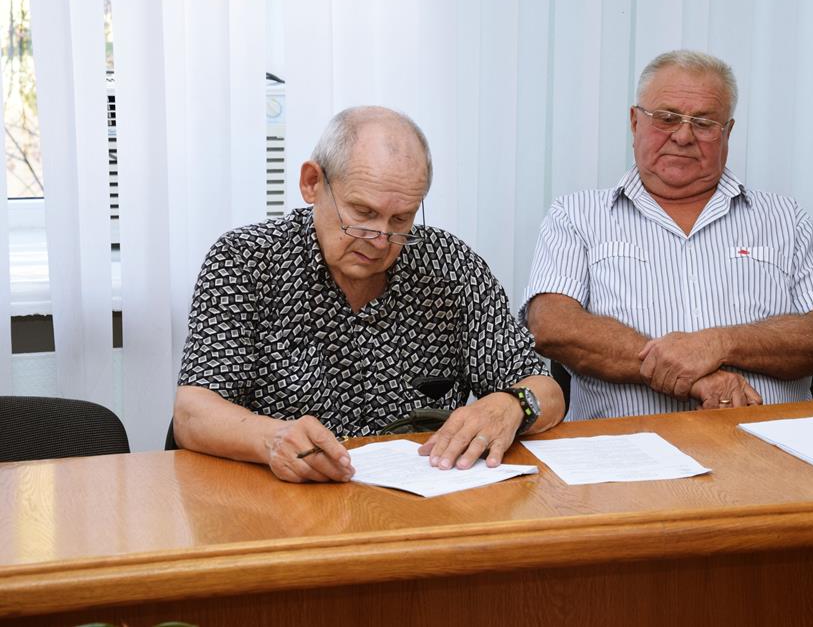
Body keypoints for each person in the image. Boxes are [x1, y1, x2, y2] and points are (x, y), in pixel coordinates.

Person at [175, 106, 564, 483]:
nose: (380, 239)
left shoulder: (450, 266)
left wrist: (514, 404)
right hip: (283, 499)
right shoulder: (246, 260)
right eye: (362, 213)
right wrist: (273, 439)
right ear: (312, 183)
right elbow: (193, 413)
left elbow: (546, 391)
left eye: (401, 219)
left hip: (420, 504)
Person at [523, 50, 813, 420]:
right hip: (625, 446)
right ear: (635, 121)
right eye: (666, 118)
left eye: (704, 123)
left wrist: (720, 343)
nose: (683, 136)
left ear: (727, 132)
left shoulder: (786, 218)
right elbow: (552, 326)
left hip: (769, 440)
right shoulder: (575, 215)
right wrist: (693, 377)